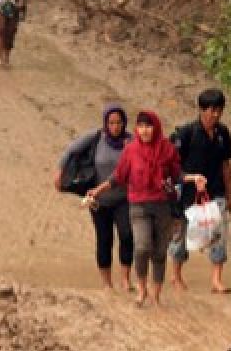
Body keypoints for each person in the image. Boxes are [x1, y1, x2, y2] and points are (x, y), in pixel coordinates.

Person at [89, 111, 207, 307]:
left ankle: (156, 295)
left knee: (160, 252)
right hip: (138, 205)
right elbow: (117, 177)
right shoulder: (131, 150)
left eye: (149, 126)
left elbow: (177, 174)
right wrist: (98, 190)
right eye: (141, 126)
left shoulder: (167, 149)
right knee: (142, 247)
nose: (145, 130)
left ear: (156, 127)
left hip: (163, 206)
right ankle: (142, 288)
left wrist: (194, 178)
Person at [55, 105, 134, 290]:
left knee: (127, 235)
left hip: (124, 198)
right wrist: (59, 172)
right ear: (106, 123)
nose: (115, 127)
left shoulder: (131, 141)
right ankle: (107, 283)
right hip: (98, 200)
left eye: (119, 123)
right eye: (112, 123)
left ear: (124, 123)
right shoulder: (96, 138)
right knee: (104, 239)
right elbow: (71, 151)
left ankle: (125, 279)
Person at [167, 89, 231, 293]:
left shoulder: (223, 133)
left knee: (218, 234)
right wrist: (188, 179)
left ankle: (216, 279)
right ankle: (176, 275)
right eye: (211, 110)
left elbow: (226, 165)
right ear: (201, 109)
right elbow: (172, 166)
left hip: (216, 191)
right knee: (181, 235)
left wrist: (230, 194)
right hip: (188, 193)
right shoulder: (185, 133)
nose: (215, 114)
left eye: (219, 110)